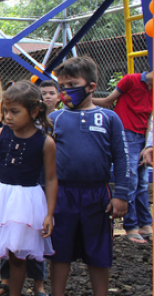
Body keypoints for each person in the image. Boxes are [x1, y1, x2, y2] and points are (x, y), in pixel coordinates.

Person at [49, 56, 129, 296]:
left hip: (98, 195)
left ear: (91, 86)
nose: (65, 92)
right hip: (62, 194)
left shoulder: (109, 118)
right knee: (59, 249)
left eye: (72, 85)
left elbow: (122, 158)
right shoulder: (54, 119)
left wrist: (122, 195)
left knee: (99, 251)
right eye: (62, 87)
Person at [0, 81, 58, 296]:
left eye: (14, 112)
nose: (7, 116)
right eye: (5, 111)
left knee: (17, 253)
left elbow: (50, 179)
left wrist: (49, 214)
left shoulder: (46, 142)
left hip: (25, 201)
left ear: (34, 111)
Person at [93, 70, 153, 244]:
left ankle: (145, 224)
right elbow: (107, 101)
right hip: (126, 133)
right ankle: (131, 226)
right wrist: (82, 100)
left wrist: (148, 144)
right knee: (131, 180)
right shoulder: (131, 80)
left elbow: (150, 118)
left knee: (142, 181)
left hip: (143, 136)